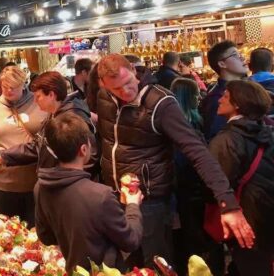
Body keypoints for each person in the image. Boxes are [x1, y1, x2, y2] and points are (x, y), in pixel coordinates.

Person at [97, 54, 254, 267]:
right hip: (114, 197)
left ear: (134, 71)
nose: (125, 92)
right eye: (116, 89)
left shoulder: (161, 102)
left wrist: (227, 202)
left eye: (128, 83)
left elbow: (197, 151)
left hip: (150, 200)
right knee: (120, 264)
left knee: (154, 264)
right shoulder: (103, 98)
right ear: (103, 85)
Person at [35, 113, 143, 273]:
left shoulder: (40, 187)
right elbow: (131, 240)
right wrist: (133, 205)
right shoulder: (100, 195)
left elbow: (46, 237)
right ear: (84, 149)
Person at [209, 80, 274, 275]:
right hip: (266, 212)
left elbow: (217, 181)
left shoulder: (226, 140)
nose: (220, 99)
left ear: (237, 104)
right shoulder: (266, 131)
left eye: (226, 96)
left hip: (243, 218)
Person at [0, 66, 48, 227]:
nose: (8, 91)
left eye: (13, 87)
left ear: (23, 84)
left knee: (38, 233)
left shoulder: (38, 102)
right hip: (4, 182)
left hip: (36, 180)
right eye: (4, 87)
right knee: (8, 232)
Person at [0, 71, 99, 178]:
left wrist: (68, 183)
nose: (35, 101)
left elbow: (90, 157)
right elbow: (37, 146)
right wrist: (3, 155)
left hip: (69, 189)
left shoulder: (72, 117)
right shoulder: (53, 115)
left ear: (51, 95)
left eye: (38, 96)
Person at [170, 78, 221, 276]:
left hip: (189, 195)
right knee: (197, 241)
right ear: (187, 97)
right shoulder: (187, 129)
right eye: (195, 95)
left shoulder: (186, 123)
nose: (199, 97)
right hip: (192, 195)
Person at [200, 41, 249, 141]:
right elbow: (217, 140)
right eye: (235, 55)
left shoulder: (244, 89)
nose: (242, 58)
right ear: (222, 64)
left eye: (240, 54)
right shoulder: (218, 99)